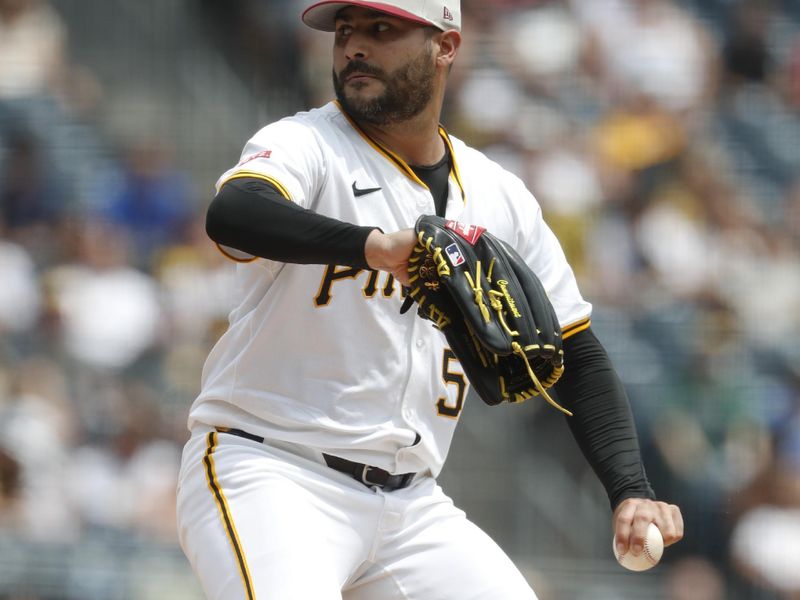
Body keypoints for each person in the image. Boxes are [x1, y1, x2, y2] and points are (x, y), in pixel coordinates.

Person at [175, 1, 684, 598]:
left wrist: (630, 487)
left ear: (445, 46)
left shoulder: (500, 195)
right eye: (345, 33)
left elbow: (577, 350)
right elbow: (234, 214)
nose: (354, 47)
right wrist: (370, 246)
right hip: (272, 472)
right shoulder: (306, 142)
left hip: (411, 504)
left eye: (381, 29)